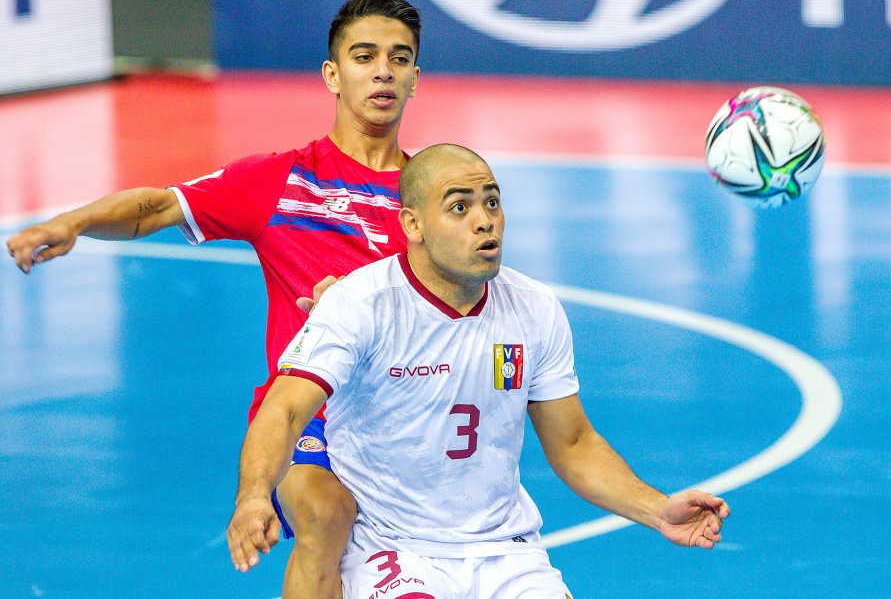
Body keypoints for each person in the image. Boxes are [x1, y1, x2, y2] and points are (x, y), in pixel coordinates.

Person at [6, 0, 423, 598]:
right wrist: (71, 222)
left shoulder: (432, 198)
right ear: (333, 75)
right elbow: (156, 205)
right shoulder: (280, 180)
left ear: (415, 77)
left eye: (399, 57)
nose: (383, 70)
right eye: (365, 56)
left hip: (409, 415)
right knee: (327, 518)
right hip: (312, 416)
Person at [227, 144, 731, 597]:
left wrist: (656, 510)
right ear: (412, 226)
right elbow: (287, 408)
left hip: (507, 552)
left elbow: (574, 444)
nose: (484, 219)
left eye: (492, 201)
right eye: (459, 207)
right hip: (396, 548)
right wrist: (253, 497)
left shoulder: (534, 308)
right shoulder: (362, 304)